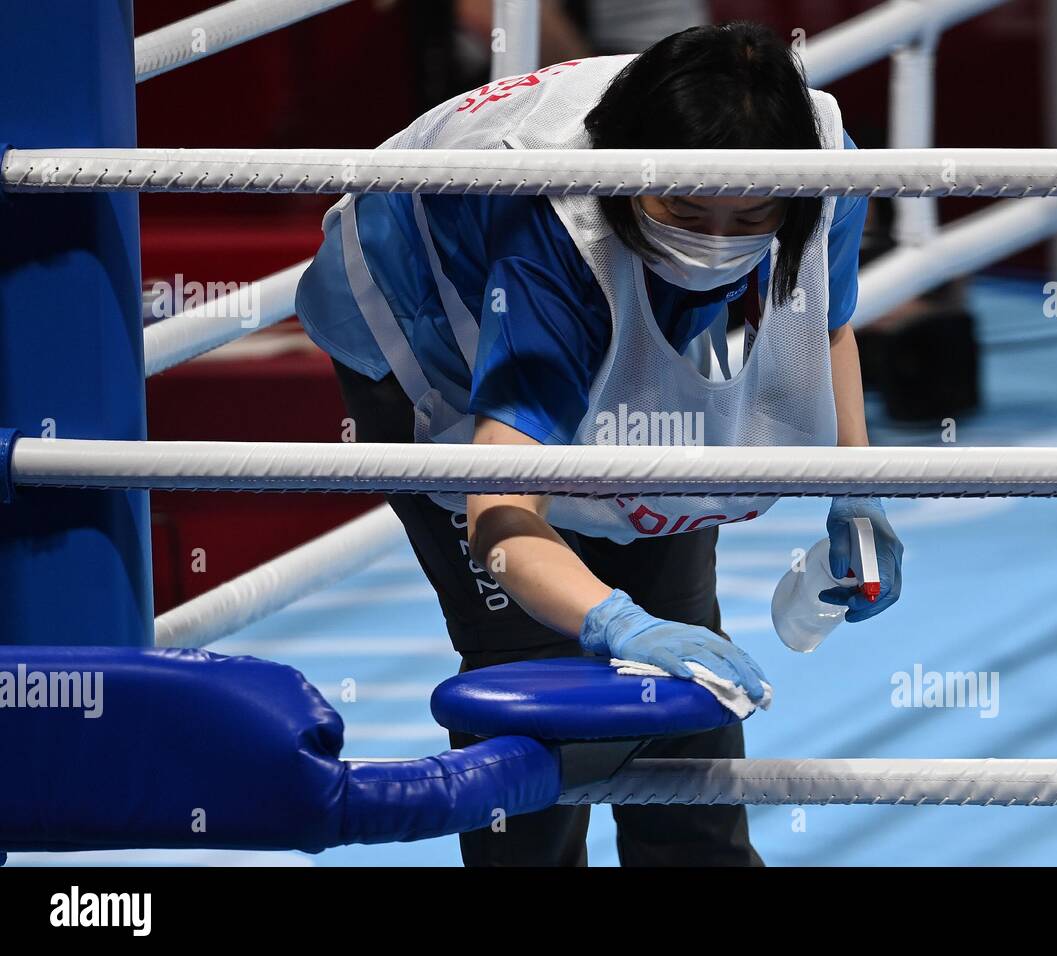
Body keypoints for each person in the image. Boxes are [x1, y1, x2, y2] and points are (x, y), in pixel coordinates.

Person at [295, 20, 904, 867]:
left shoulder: (819, 163)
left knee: (686, 652)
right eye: (686, 210)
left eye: (750, 216)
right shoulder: (552, 228)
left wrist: (858, 491)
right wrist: (614, 621)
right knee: (530, 657)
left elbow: (825, 323)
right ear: (630, 182)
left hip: (598, 280)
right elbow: (500, 514)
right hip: (422, 324)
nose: (716, 241)